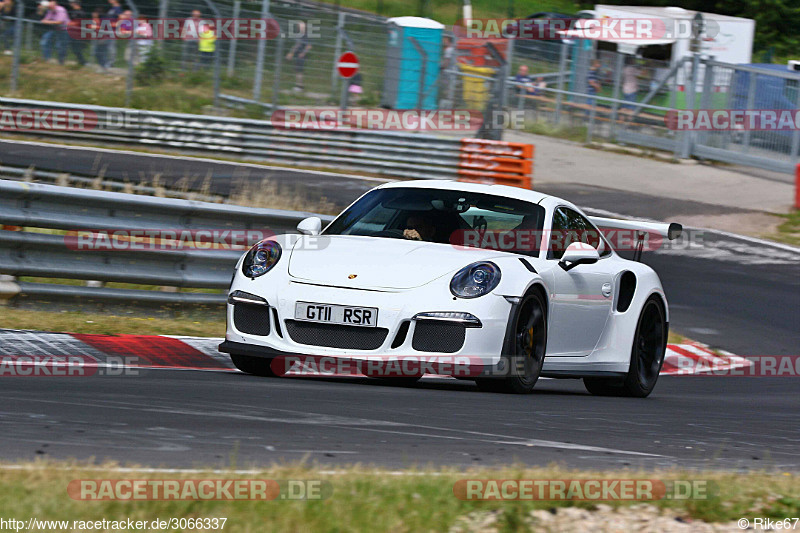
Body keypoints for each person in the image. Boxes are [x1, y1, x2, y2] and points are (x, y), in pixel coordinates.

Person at [40, 0, 70, 65]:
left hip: (64, 30)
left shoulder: (61, 10)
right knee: (45, 41)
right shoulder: (50, 10)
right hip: (55, 29)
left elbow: (60, 22)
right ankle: (46, 59)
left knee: (60, 46)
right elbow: (45, 19)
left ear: (54, 3)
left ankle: (61, 61)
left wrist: (48, 22)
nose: (49, 4)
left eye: (51, 2)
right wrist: (42, 11)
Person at [285, 21, 311, 92]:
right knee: (297, 71)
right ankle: (299, 85)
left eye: (302, 26)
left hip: (300, 56)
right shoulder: (300, 35)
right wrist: (291, 53)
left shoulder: (305, 35)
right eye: (300, 26)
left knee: (299, 71)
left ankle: (299, 86)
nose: (301, 27)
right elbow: (296, 45)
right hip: (297, 55)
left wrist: (303, 53)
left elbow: (309, 46)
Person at [65, 0, 86, 65]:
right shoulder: (73, 11)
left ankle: (83, 62)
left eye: (71, 2)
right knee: (73, 48)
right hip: (72, 32)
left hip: (78, 33)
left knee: (77, 49)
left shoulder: (81, 12)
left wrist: (70, 23)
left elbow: (80, 23)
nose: (70, 4)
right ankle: (81, 61)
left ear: (75, 3)